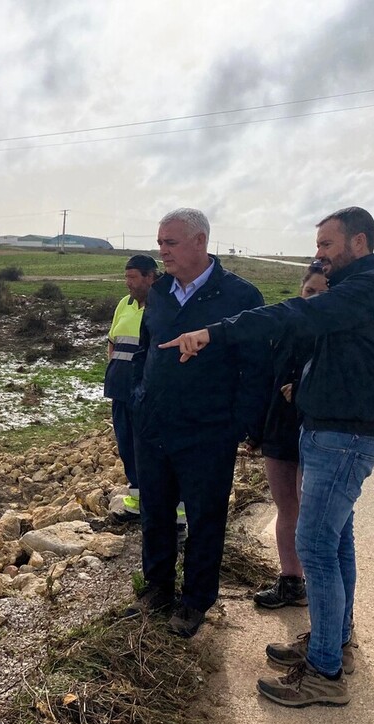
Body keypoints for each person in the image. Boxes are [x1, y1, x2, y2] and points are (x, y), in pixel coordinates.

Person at [159, 207, 374, 706]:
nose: (318, 254)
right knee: (335, 545)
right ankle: (329, 642)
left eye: (327, 245)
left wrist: (213, 331)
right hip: (334, 432)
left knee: (315, 546)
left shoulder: (370, 289)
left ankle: (325, 674)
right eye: (317, 245)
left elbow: (294, 314)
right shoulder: (362, 288)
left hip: (344, 436)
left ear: (358, 243)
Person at [129, 208, 271, 638]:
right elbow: (148, 347)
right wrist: (140, 396)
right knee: (154, 511)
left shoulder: (240, 296)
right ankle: (156, 589)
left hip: (209, 431)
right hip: (154, 424)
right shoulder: (160, 292)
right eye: (159, 242)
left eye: (169, 243)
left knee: (205, 517)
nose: (161, 251)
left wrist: (240, 424)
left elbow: (257, 368)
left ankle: (195, 601)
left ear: (199, 242)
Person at [253, 262, 328, 609]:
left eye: (322, 294)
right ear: (300, 292)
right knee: (286, 509)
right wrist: (256, 430)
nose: (313, 299)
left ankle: (325, 595)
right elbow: (268, 380)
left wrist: (302, 390)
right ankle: (291, 581)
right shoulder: (284, 327)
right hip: (280, 429)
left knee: (315, 518)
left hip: (318, 431)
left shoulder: (337, 334)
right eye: (309, 291)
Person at [105, 255, 159, 522]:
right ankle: (137, 503)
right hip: (120, 389)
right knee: (127, 445)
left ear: (150, 277)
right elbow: (112, 341)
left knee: (149, 448)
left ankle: (165, 508)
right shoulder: (123, 304)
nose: (127, 283)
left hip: (147, 393)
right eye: (126, 277)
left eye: (133, 277)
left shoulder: (162, 305)